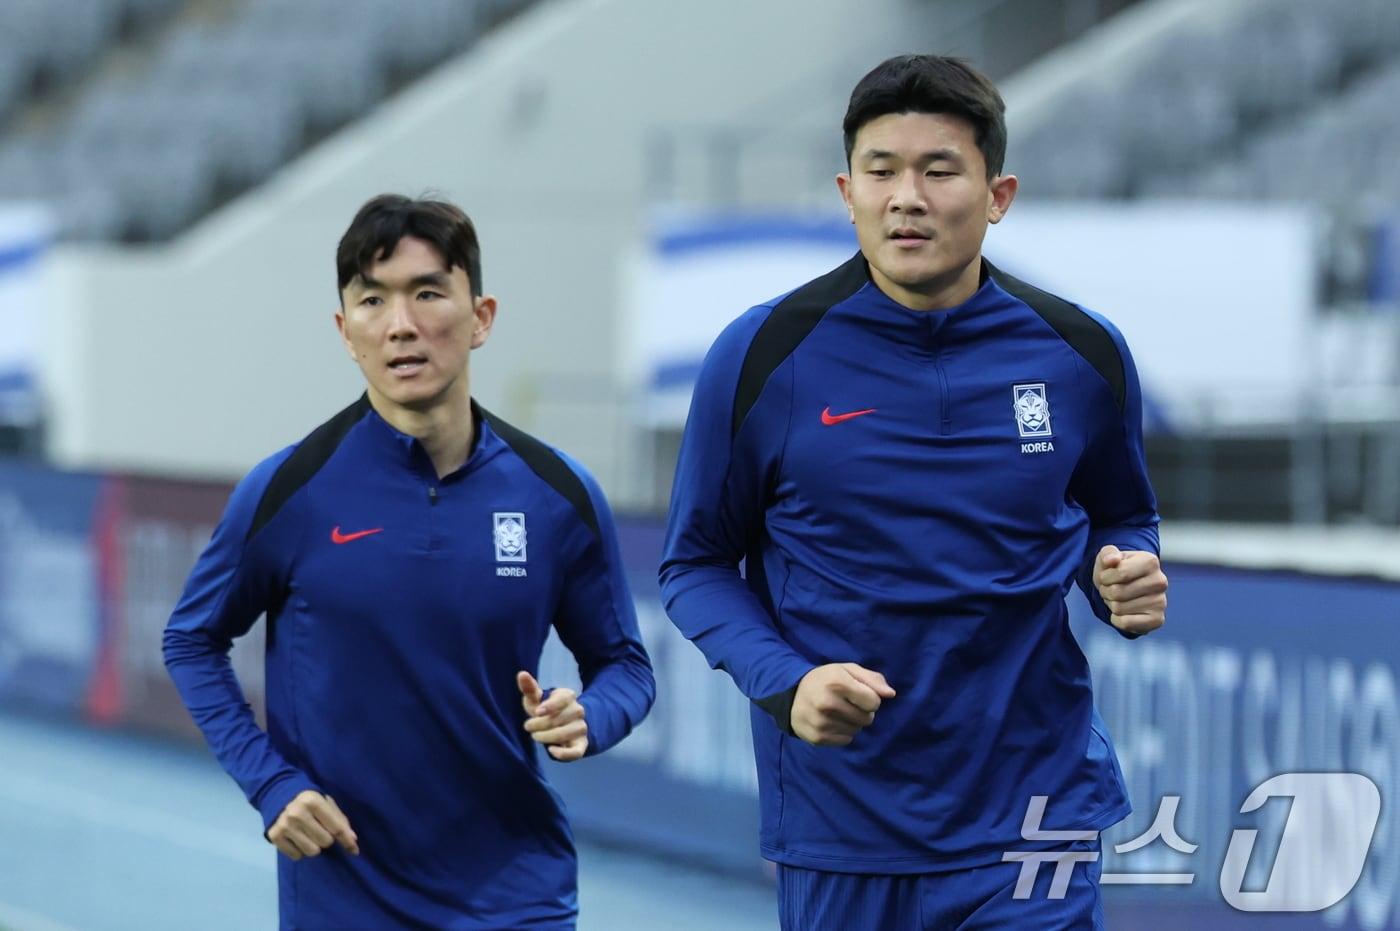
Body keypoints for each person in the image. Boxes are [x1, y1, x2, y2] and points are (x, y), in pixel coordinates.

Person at [659, 55, 1167, 930]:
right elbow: (695, 563)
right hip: (845, 829)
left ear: (997, 193)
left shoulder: (1080, 353)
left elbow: (1119, 514)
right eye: (881, 170)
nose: (907, 196)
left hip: (1034, 812)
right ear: (846, 190)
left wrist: (1127, 570)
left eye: (939, 170)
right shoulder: (759, 357)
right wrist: (789, 681)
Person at [164, 194, 655, 930]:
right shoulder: (289, 491)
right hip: (345, 899)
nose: (401, 324)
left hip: (517, 897)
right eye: (372, 300)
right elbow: (191, 640)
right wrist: (269, 783)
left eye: (428, 292)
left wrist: (590, 714)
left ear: (480, 316)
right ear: (345, 332)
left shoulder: (558, 495)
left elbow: (626, 665)